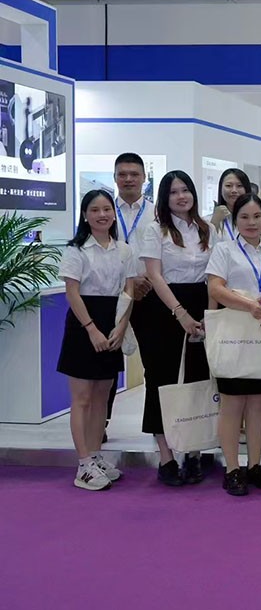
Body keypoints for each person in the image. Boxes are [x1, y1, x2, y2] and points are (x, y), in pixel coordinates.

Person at [206, 193, 261, 496]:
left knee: (258, 402)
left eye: (256, 216)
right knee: (232, 404)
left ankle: (255, 465)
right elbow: (215, 288)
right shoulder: (224, 250)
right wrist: (249, 305)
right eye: (244, 217)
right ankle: (232, 468)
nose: (251, 223)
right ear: (235, 220)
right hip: (233, 331)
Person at [139, 171, 216, 487]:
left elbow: (214, 274)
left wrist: (209, 314)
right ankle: (166, 458)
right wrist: (180, 313)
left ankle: (194, 453)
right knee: (161, 380)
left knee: (198, 379)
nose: (181, 196)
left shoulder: (207, 229)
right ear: (164, 197)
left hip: (201, 304)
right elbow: (154, 276)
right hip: (163, 309)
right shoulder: (155, 230)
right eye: (173, 192)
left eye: (185, 190)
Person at [58, 190, 138, 490]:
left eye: (106, 209)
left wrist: (121, 326)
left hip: (113, 321)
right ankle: (83, 464)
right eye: (95, 210)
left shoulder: (124, 250)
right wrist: (91, 329)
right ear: (85, 215)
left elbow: (128, 291)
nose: (102, 215)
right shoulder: (76, 250)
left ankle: (95, 456)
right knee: (82, 399)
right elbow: (72, 293)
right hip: (83, 325)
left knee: (103, 397)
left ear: (113, 214)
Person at [106, 153, 156, 439]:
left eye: (134, 174)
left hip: (149, 293)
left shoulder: (156, 212)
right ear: (114, 177)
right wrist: (127, 284)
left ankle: (157, 426)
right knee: (107, 365)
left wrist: (144, 279)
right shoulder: (103, 210)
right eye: (122, 174)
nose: (128, 179)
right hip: (113, 296)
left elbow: (165, 251)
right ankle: (101, 423)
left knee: (154, 364)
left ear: (144, 178)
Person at [211, 168, 252, 242]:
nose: (234, 190)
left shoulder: (255, 218)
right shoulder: (209, 220)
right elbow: (205, 246)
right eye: (228, 185)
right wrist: (214, 223)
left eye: (239, 186)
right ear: (221, 189)